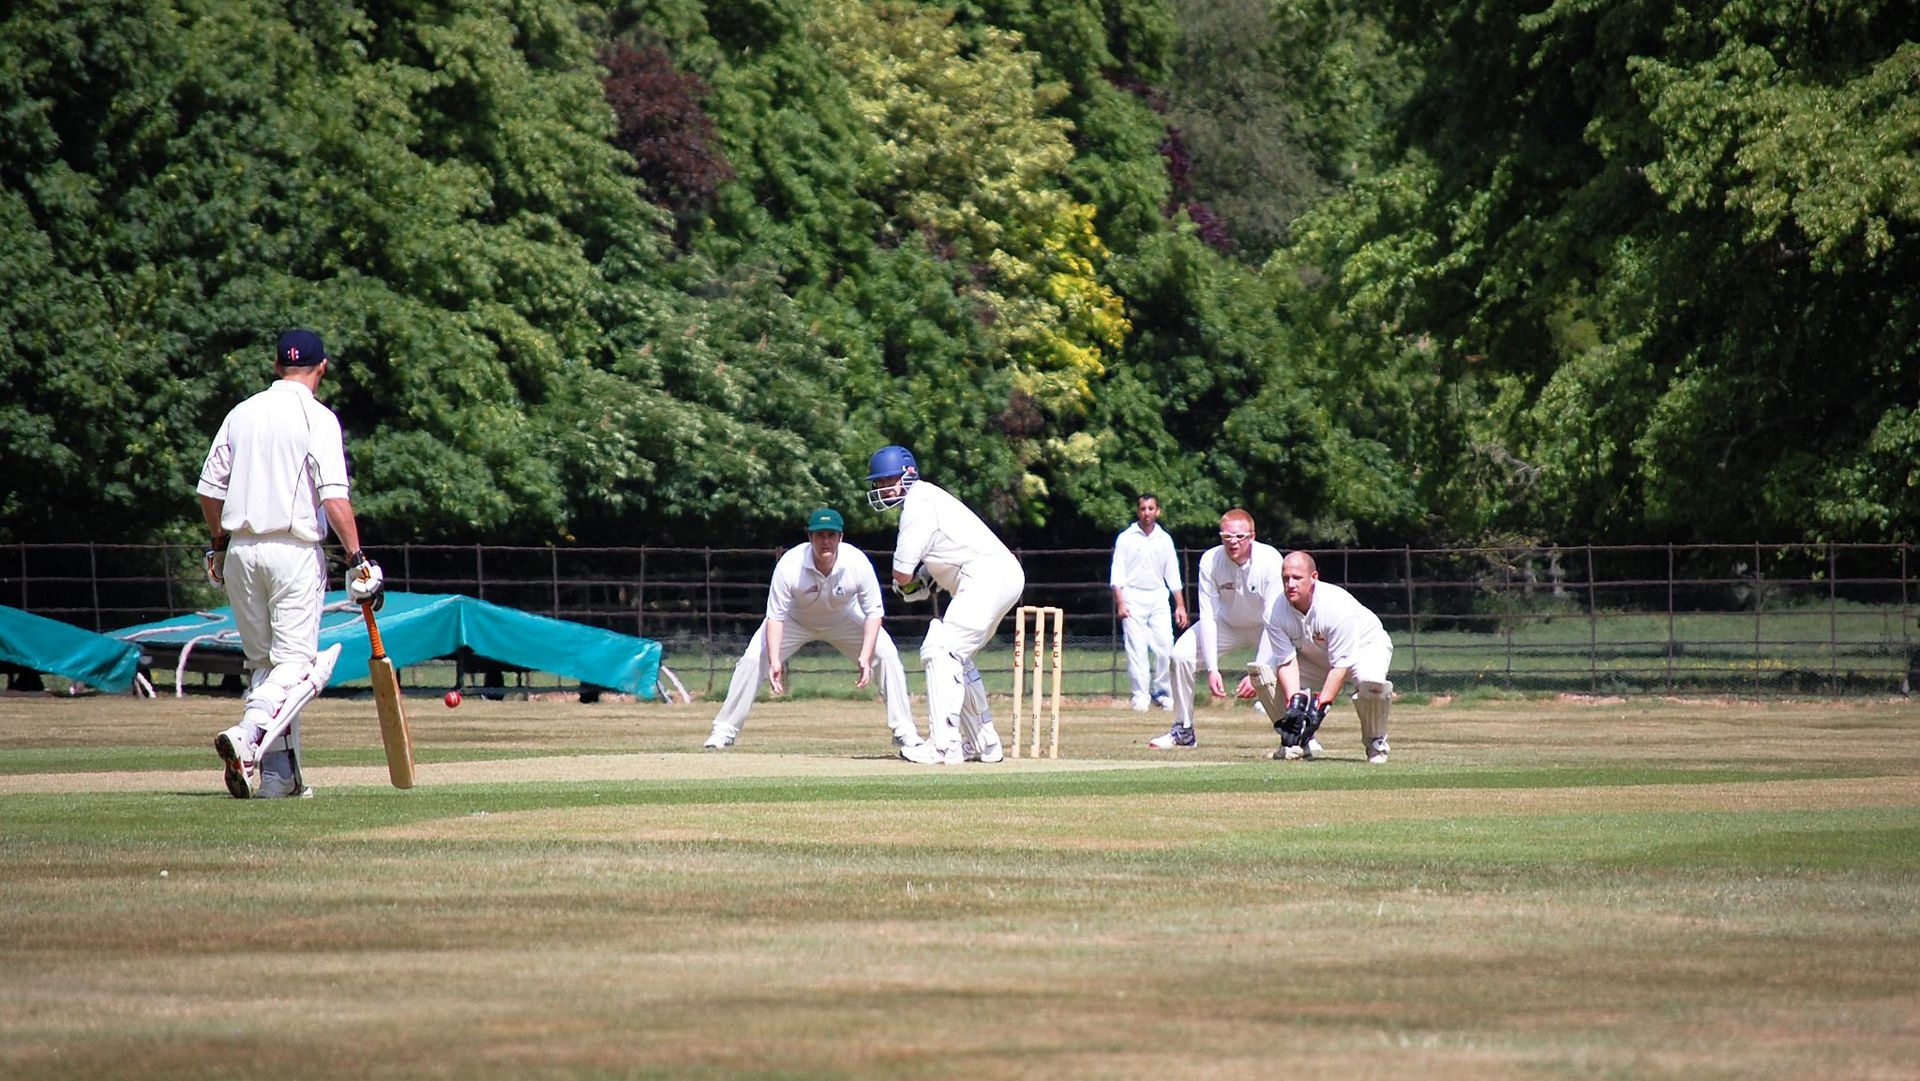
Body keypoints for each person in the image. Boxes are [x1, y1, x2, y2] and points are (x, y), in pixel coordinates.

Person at [197, 328, 384, 798]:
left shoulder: (242, 413)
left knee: (267, 666)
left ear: (278, 366)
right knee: (299, 666)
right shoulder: (316, 416)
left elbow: (208, 489)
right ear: (322, 368)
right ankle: (248, 733)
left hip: (240, 551)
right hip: (293, 551)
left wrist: (219, 544)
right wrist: (357, 558)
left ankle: (280, 778)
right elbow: (334, 497)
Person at [703, 507, 922, 752]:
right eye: (819, 535)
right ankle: (724, 731)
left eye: (831, 534)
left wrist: (865, 654)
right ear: (810, 537)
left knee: (887, 654)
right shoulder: (790, 565)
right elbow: (775, 616)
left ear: (841, 537)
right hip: (794, 620)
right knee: (754, 659)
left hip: (844, 618)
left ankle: (904, 730)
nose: (825, 541)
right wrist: (775, 660)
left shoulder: (856, 562)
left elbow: (873, 613)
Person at [866, 445, 1021, 765]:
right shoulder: (930, 498)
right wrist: (924, 579)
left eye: (886, 480)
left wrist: (908, 585)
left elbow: (902, 573)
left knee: (940, 650)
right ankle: (984, 742)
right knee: (957, 657)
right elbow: (936, 561)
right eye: (879, 483)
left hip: (986, 578)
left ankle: (943, 744)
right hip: (999, 576)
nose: (881, 489)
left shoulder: (918, 503)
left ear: (907, 475)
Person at [1149, 508, 1286, 749]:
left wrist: (1258, 673)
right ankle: (1183, 730)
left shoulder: (1270, 560)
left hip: (1265, 626)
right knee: (1180, 656)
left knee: (1291, 661)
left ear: (1252, 536)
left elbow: (1272, 619)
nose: (1233, 542)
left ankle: (1300, 734)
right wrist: (1212, 669)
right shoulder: (1211, 560)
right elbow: (1209, 615)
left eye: (1240, 537)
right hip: (1227, 624)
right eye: (1227, 537)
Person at [1249, 550, 1396, 763]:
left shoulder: (1336, 607)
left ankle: (1376, 743)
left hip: (1365, 648)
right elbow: (1286, 661)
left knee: (1371, 684)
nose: (1290, 584)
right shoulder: (1274, 611)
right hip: (1316, 656)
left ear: (1314, 578)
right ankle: (1297, 742)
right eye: (1286, 578)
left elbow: (1340, 667)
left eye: (1297, 578)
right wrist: (1295, 704)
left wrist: (1319, 708)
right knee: (1262, 674)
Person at [1110, 493, 1188, 711]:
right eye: (1143, 509)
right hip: (1132, 596)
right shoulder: (1126, 538)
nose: (1147, 513)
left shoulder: (1165, 540)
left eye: (1151, 508)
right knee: (1137, 649)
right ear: (1138, 511)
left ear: (1158, 511)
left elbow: (1173, 575)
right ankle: (1140, 695)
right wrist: (1121, 602)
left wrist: (1180, 605)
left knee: (1165, 646)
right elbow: (1117, 574)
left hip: (1158, 597)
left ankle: (1163, 692)